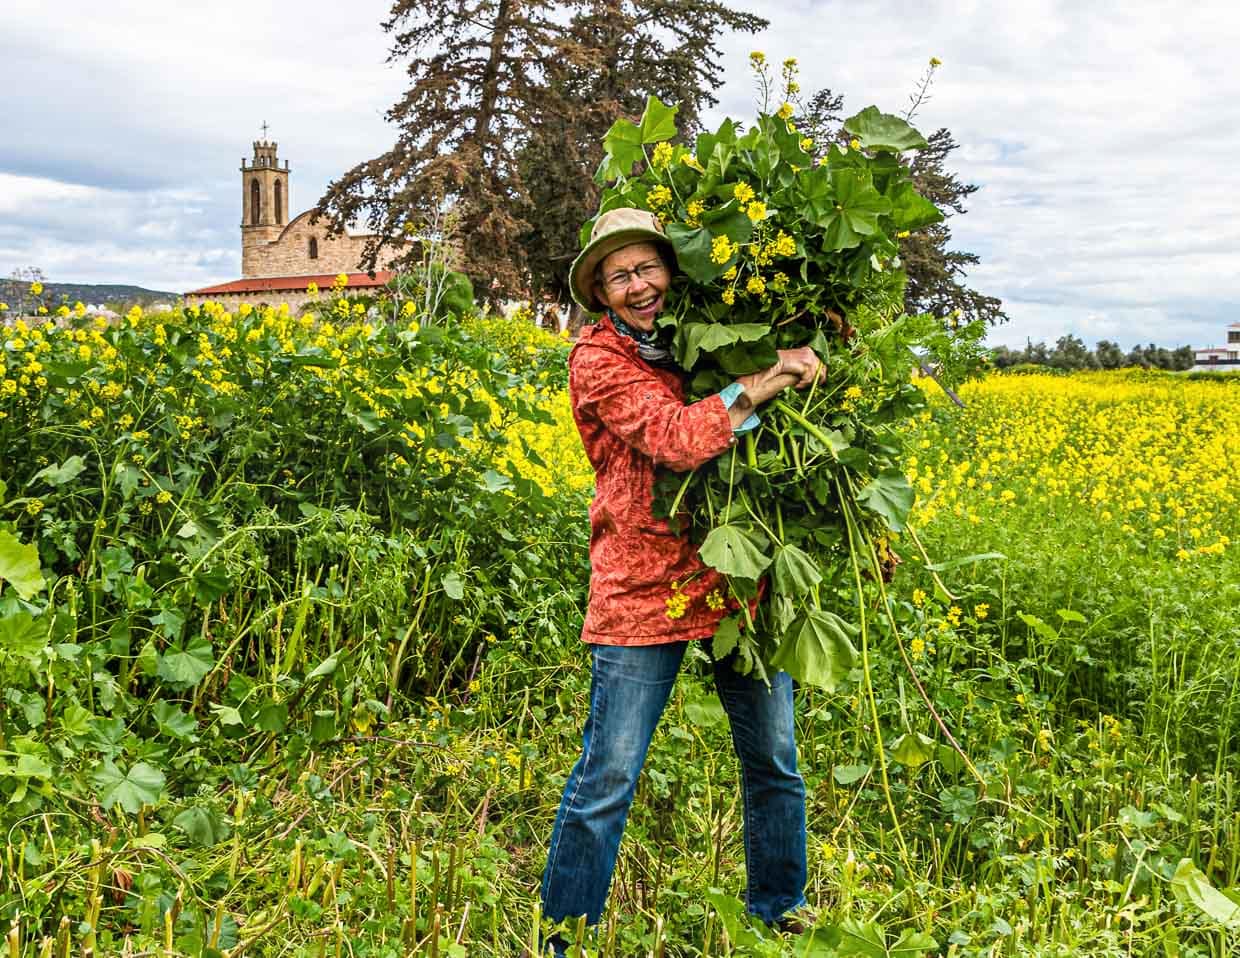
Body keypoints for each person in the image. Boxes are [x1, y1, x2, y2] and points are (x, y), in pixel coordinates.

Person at [537, 208, 823, 951]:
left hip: (733, 573)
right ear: (599, 293)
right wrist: (768, 377)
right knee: (608, 777)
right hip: (642, 582)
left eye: (647, 267)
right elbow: (674, 436)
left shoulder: (703, 333)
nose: (638, 286)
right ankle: (563, 942)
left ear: (671, 269)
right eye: (618, 276)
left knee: (774, 760)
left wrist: (814, 338)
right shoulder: (596, 361)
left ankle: (779, 914)